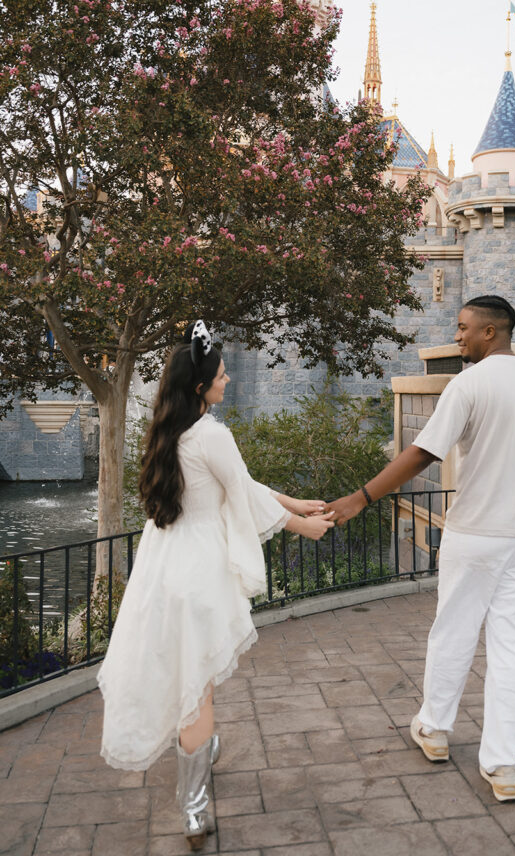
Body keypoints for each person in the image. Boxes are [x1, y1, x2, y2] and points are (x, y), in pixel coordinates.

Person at [326, 295, 515, 802]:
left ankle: (435, 729)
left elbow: (424, 451)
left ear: (491, 332)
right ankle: (502, 766)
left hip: (475, 534)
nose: (458, 336)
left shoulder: (468, 384)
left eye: (464, 328)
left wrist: (361, 498)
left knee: (453, 632)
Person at [98, 320, 333, 849]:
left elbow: (240, 484)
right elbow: (242, 496)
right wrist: (305, 526)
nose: (229, 381)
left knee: (187, 670)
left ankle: (200, 758)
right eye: (222, 375)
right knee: (197, 686)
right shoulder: (212, 433)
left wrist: (293, 503)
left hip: (161, 565)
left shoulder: (169, 431)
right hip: (199, 569)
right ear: (200, 385)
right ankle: (194, 809)